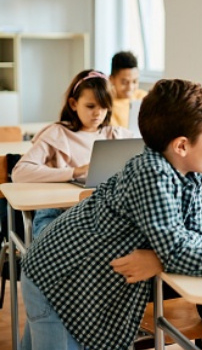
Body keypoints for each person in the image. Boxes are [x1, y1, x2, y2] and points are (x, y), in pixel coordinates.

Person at [19, 79, 202, 350]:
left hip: (81, 277)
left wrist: (162, 258)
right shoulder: (151, 173)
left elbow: (194, 241)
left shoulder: (189, 173)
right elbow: (183, 252)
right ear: (182, 145)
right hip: (58, 278)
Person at [12, 69, 133, 238]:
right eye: (90, 106)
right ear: (73, 104)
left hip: (100, 213)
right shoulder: (57, 133)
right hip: (58, 212)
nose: (98, 113)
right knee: (63, 250)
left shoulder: (116, 135)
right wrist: (74, 172)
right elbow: (19, 172)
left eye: (104, 107)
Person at [108, 51, 148, 128]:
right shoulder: (107, 105)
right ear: (111, 79)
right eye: (124, 82)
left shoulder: (145, 97)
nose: (130, 87)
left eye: (134, 81)